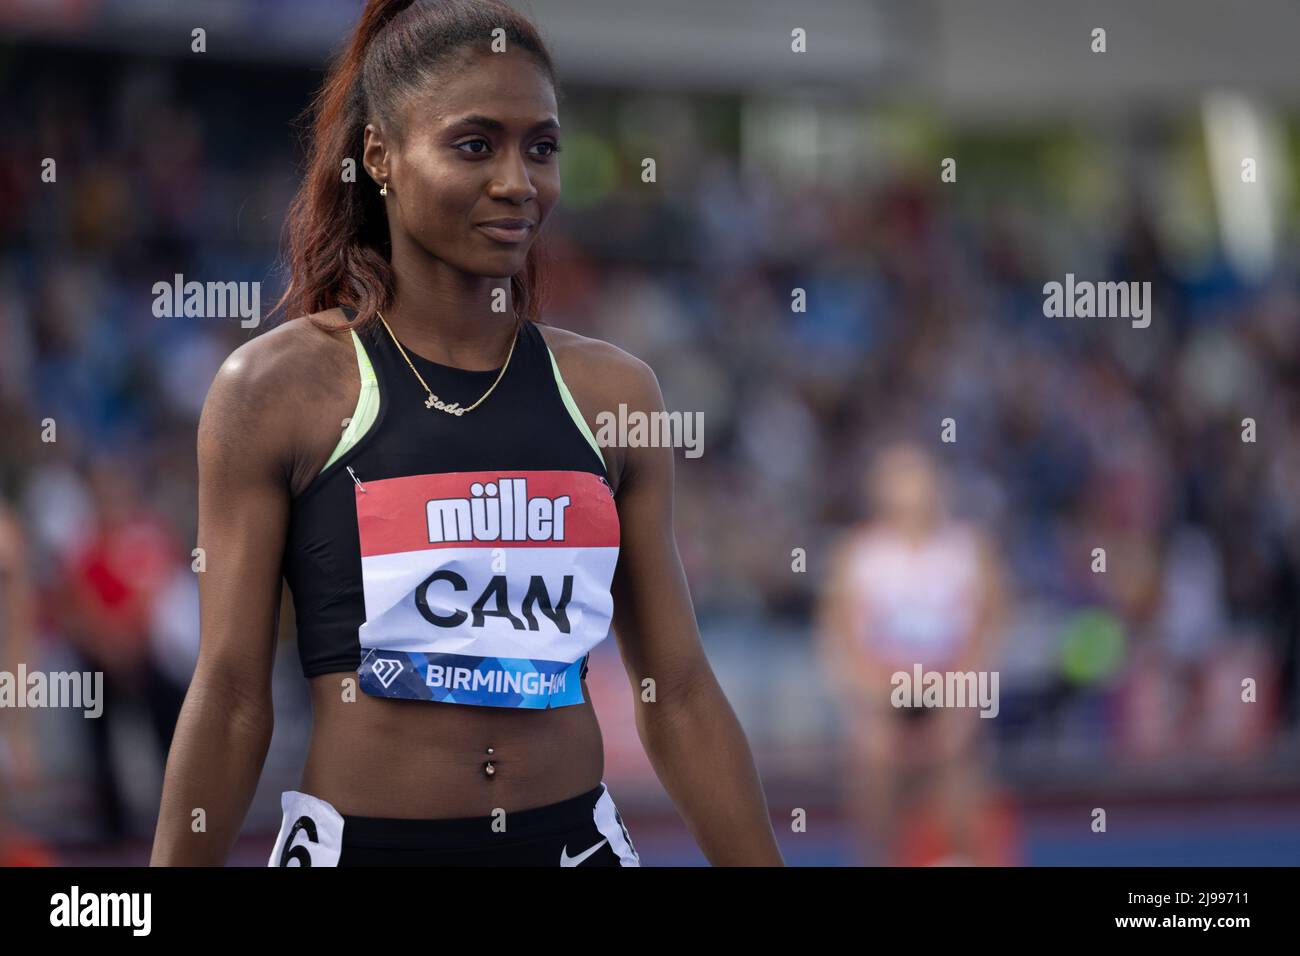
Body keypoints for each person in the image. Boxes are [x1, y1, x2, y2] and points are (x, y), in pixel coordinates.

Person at [151, 0, 782, 867]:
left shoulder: (611, 394)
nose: (518, 180)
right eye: (475, 144)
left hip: (574, 847)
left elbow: (674, 690)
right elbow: (227, 696)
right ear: (380, 157)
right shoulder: (278, 388)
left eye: (543, 147)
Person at [816, 441, 1007, 865]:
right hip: (884, 692)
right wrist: (869, 710)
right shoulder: (858, 555)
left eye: (916, 477)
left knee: (960, 777)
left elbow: (987, 634)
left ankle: (961, 855)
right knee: (874, 773)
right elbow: (839, 640)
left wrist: (960, 710)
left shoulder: (967, 550)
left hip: (951, 686)